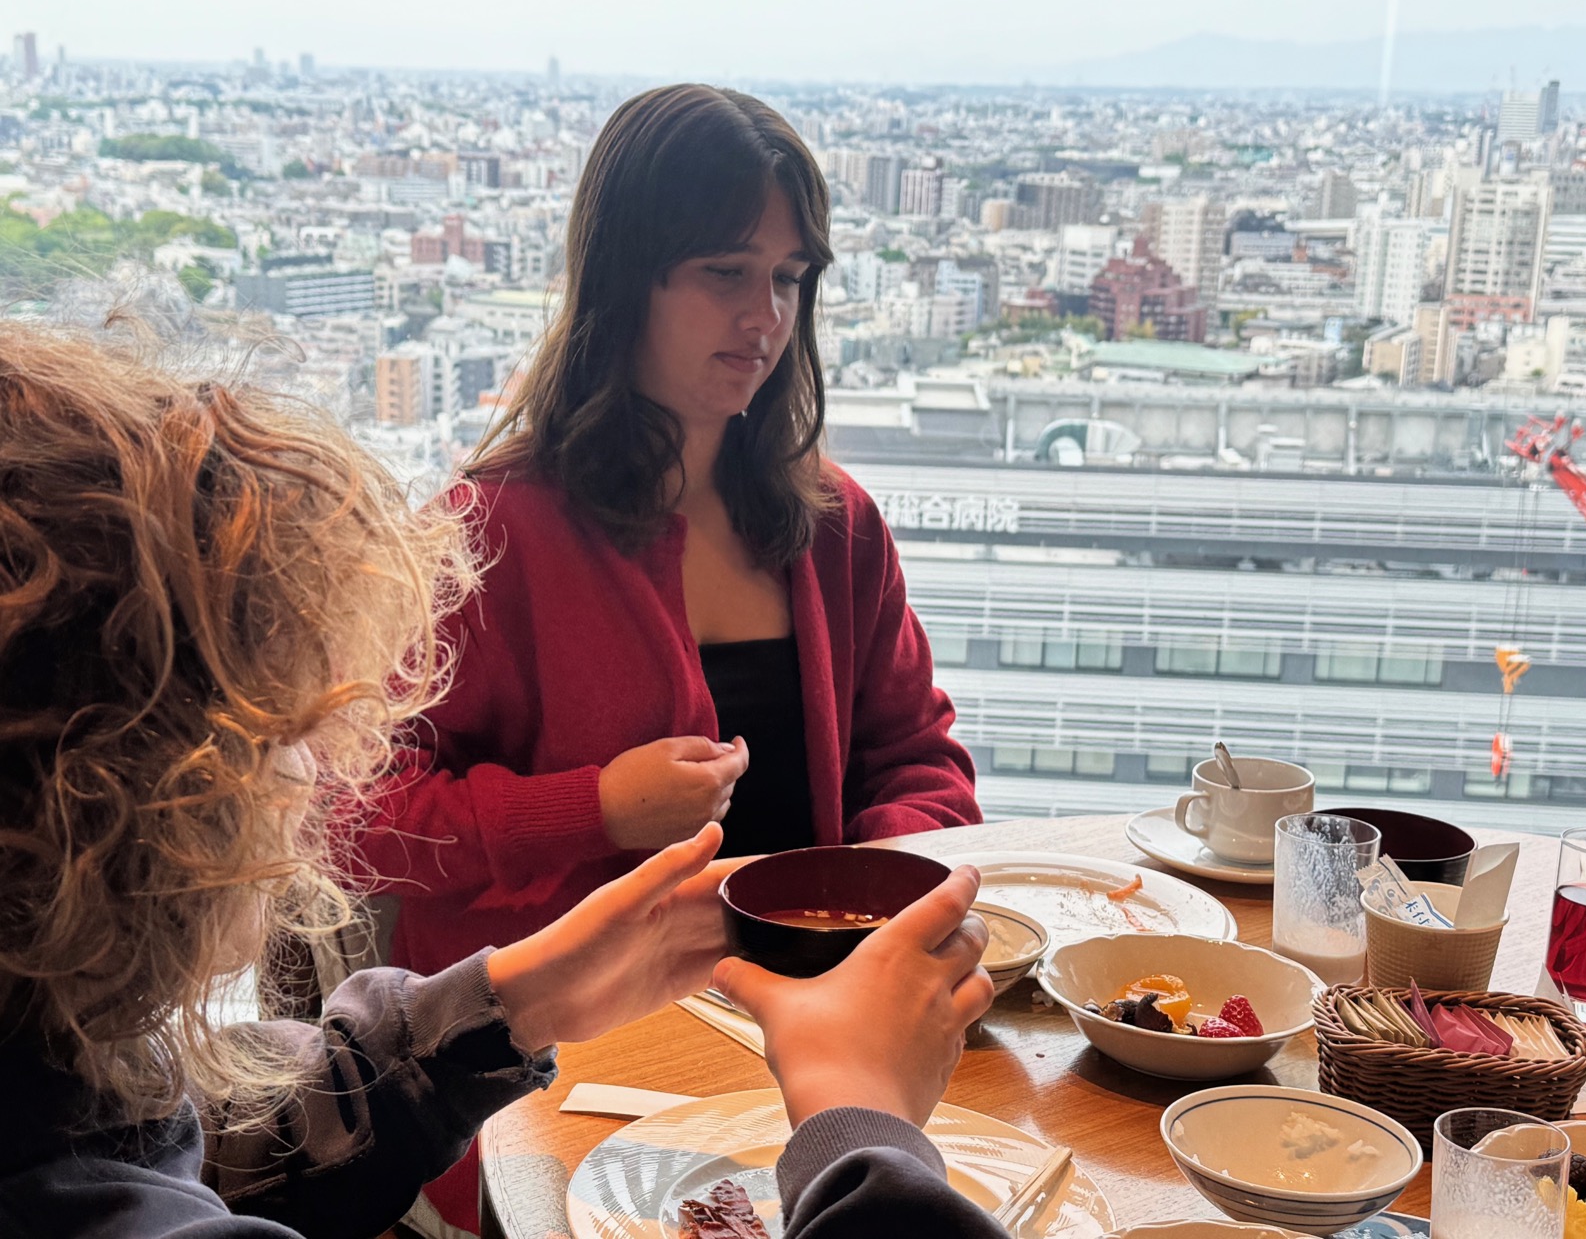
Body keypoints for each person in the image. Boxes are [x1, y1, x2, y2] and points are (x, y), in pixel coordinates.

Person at [0, 317, 1009, 1239]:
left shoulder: (50, 1088)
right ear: (96, 799)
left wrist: (506, 1003)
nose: (312, 780)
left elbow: (176, 1130)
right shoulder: (507, 520)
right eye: (271, 733)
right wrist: (858, 1121)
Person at [357, 83, 982, 1227]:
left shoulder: (834, 524)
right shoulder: (488, 532)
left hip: (815, 1046)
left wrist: (890, 893)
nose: (765, 319)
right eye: (724, 273)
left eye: (789, 280)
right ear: (624, 276)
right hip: (567, 1077)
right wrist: (589, 807)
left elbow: (916, 751)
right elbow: (364, 822)